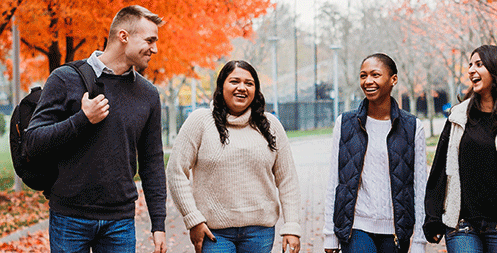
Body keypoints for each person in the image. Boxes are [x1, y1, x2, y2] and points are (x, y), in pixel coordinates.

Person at [23, 5, 168, 253]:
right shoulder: (65, 78)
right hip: (70, 217)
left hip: (120, 222)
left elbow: (152, 162)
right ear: (124, 37)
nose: (155, 48)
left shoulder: (148, 94)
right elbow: (33, 142)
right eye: (149, 40)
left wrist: (159, 224)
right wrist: (82, 119)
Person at [166, 60, 302, 253]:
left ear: (256, 90)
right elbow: (175, 171)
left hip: (260, 233)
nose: (242, 88)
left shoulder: (270, 125)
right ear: (222, 86)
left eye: (249, 83)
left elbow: (288, 179)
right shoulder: (200, 122)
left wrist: (292, 226)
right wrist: (193, 218)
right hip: (214, 233)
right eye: (234, 81)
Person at [423, 45, 497, 252]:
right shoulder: (457, 117)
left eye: (479, 64)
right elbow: (439, 171)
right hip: (461, 225)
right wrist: (433, 217)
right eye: (470, 64)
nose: (471, 70)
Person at [323, 53, 428, 253]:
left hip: (397, 230)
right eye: (363, 76)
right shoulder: (345, 124)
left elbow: (420, 186)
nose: (368, 81)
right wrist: (330, 234)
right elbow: (334, 181)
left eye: (375, 75)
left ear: (393, 79)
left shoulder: (413, 127)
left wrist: (419, 242)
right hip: (356, 227)